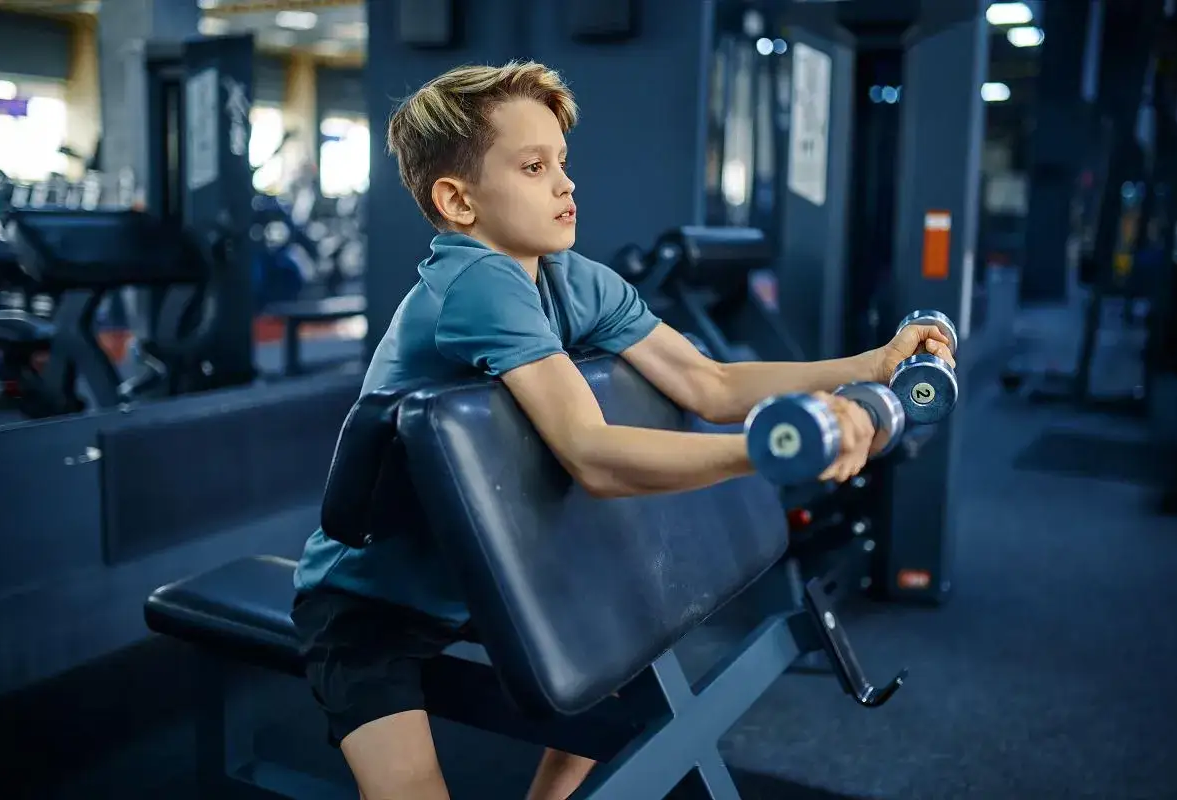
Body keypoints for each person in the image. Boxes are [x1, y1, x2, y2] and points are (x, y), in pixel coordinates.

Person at [291, 60, 956, 800]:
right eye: (534, 167)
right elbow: (594, 456)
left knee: (627, 659)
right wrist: (772, 448)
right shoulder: (474, 282)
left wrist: (871, 363)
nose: (566, 185)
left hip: (482, 565)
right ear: (458, 200)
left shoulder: (571, 277)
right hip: (369, 600)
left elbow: (710, 382)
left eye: (563, 164)